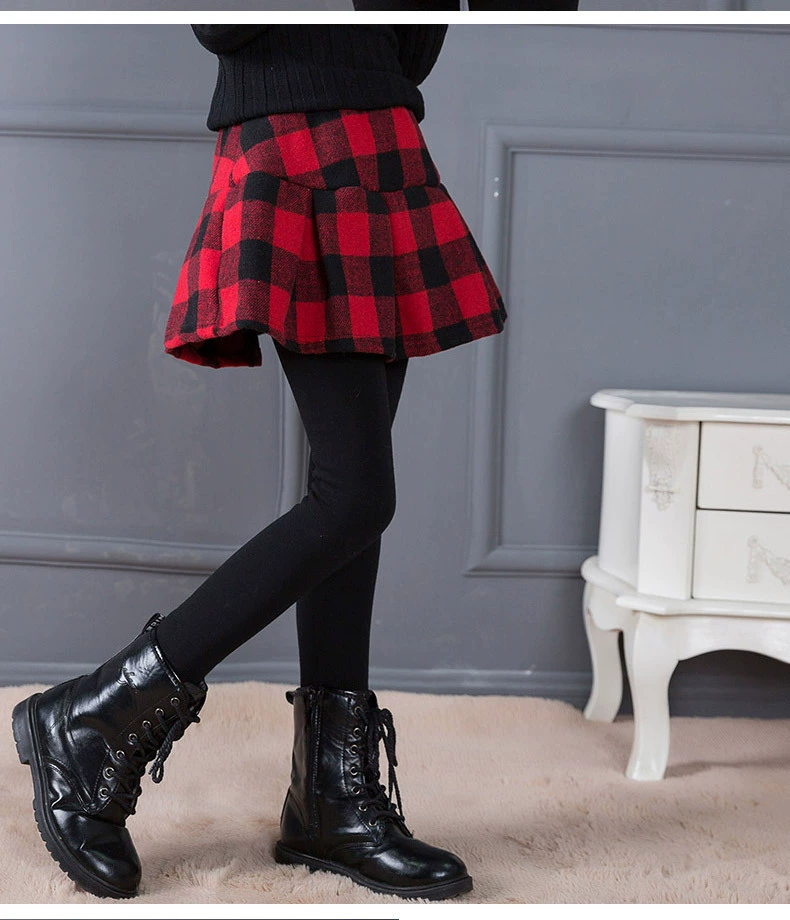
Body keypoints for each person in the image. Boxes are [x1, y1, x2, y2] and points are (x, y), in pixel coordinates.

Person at [11, 23, 507, 902]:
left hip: (382, 131)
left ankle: (328, 803)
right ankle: (97, 715)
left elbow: (418, 38)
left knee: (352, 493)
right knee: (354, 496)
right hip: (294, 131)